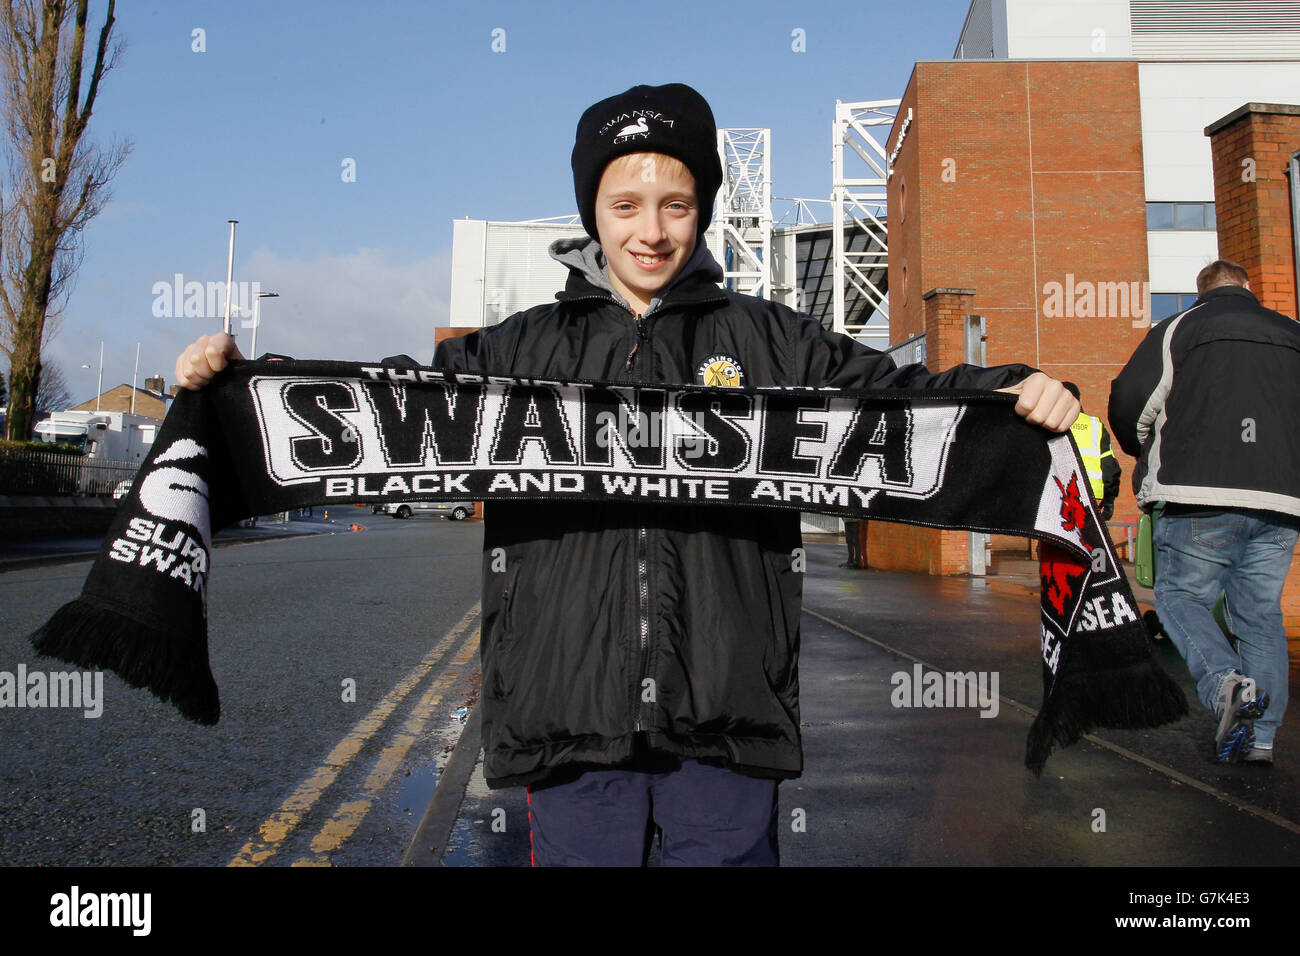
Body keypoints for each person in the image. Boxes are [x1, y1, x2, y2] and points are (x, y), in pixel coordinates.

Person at [175, 83, 1079, 865]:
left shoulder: (773, 341)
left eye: (676, 204)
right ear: (591, 212)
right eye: (625, 204)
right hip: (567, 711)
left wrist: (1016, 393)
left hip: (727, 709)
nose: (651, 231)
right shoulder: (522, 345)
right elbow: (386, 404)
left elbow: (902, 398)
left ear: (704, 208)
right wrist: (238, 386)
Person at [1109, 259, 1300, 765]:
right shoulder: (1293, 333)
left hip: (1197, 494)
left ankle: (1224, 687)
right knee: (1259, 616)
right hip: (1281, 502)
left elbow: (1130, 401)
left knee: (1179, 595)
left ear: (1200, 292)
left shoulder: (1178, 330)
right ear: (1249, 287)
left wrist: (1144, 451)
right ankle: (1260, 741)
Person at [1060, 381, 1120, 521]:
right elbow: (1109, 466)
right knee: (1087, 541)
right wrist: (1109, 499)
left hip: (1059, 498)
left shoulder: (1050, 424)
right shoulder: (1095, 426)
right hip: (1089, 500)